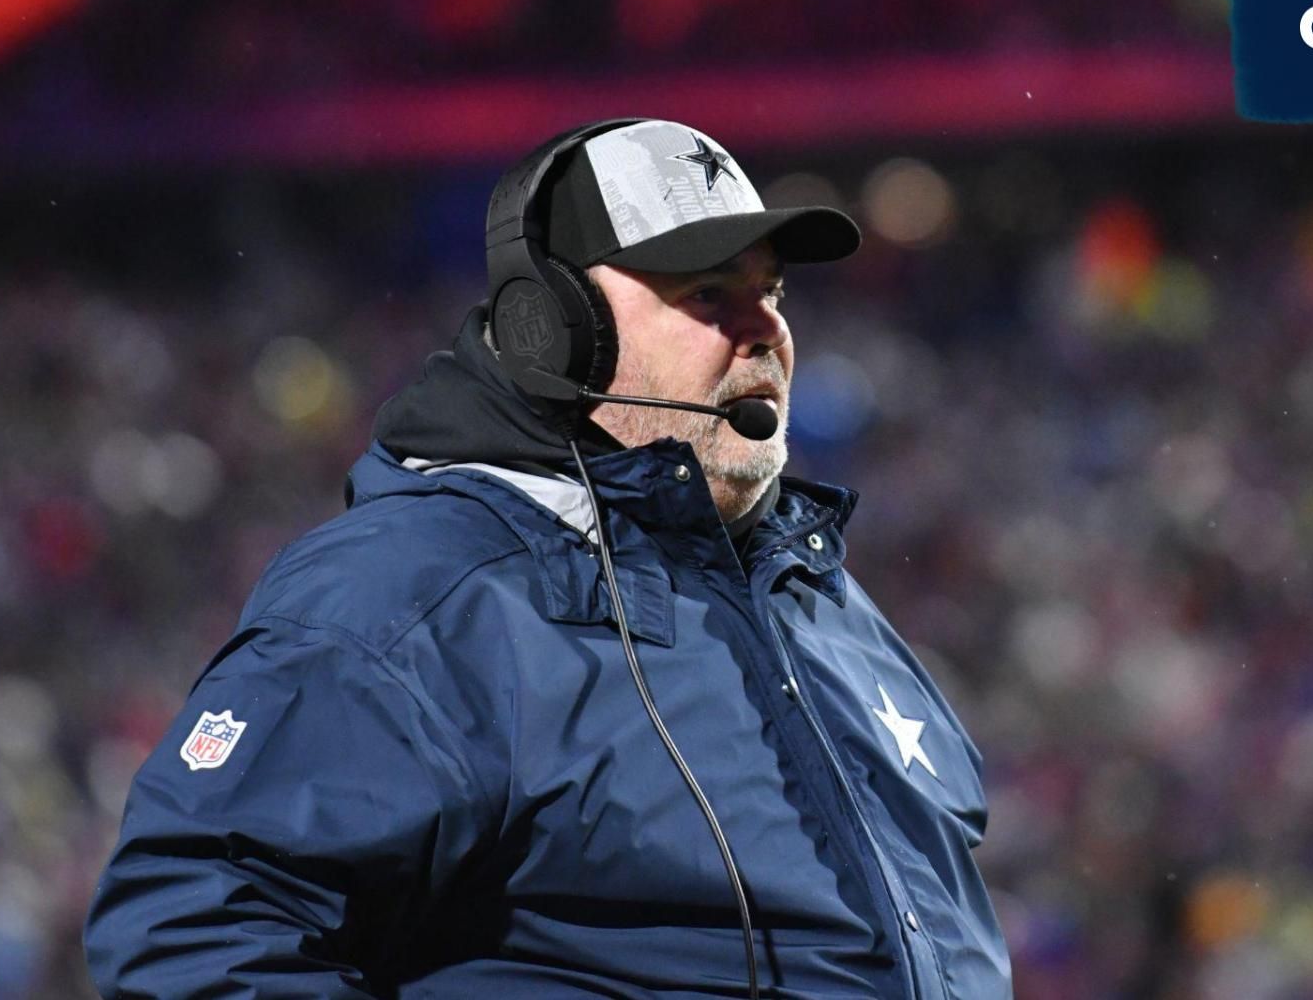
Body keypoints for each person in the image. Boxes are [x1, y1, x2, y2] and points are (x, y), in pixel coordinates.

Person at [84, 118, 1011, 998]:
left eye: (770, 292)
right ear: (555, 333)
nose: (764, 328)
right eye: (708, 295)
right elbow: (196, 923)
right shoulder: (414, 593)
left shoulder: (815, 592)